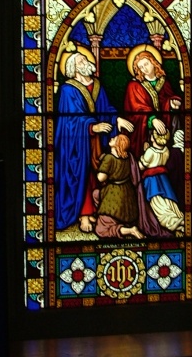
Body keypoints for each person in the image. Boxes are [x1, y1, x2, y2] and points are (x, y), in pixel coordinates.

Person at [54, 50, 133, 233]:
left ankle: (95, 212)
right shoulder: (68, 90)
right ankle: (83, 214)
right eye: (82, 60)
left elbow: (106, 108)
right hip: (75, 143)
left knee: (98, 173)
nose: (87, 61)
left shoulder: (97, 85)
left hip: (97, 142)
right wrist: (92, 127)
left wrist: (116, 120)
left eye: (86, 59)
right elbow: (70, 120)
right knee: (83, 172)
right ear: (73, 68)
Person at [123, 45, 182, 159]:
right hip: (143, 130)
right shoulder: (134, 86)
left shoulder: (164, 82)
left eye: (146, 64)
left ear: (153, 62)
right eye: (140, 67)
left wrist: (172, 104)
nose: (144, 69)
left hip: (165, 124)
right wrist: (152, 119)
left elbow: (169, 98)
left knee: (176, 119)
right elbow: (136, 110)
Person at [93, 134, 143, 239]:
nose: (111, 138)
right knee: (97, 194)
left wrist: (99, 168)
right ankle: (117, 222)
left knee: (101, 230)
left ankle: (129, 230)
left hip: (113, 196)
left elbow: (101, 178)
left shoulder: (109, 158)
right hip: (128, 197)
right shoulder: (128, 157)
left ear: (118, 145)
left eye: (114, 139)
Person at [139, 128, 184, 235]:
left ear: (153, 138)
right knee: (168, 202)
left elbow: (140, 167)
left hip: (152, 181)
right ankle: (179, 219)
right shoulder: (166, 151)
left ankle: (173, 222)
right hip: (164, 180)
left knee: (158, 204)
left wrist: (144, 154)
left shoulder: (150, 152)